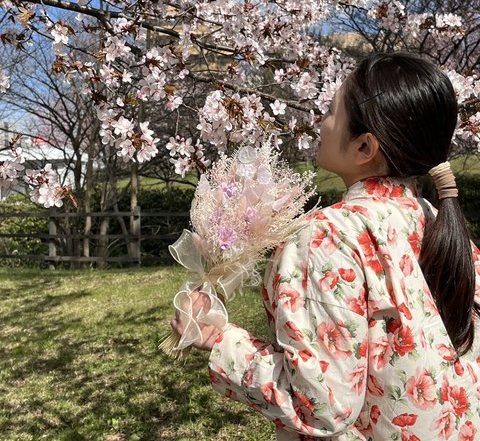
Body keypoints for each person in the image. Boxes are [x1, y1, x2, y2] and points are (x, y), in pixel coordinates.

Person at [171, 52, 480, 440]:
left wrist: (218, 340)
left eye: (332, 112)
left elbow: (320, 407)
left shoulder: (326, 236)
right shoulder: (436, 221)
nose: (322, 122)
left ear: (364, 148)